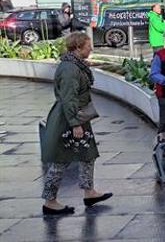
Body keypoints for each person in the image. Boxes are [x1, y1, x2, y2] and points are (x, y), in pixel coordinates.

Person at [40, 32, 112, 215]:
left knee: (88, 154)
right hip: (68, 120)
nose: (91, 49)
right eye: (88, 46)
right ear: (78, 47)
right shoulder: (70, 69)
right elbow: (68, 98)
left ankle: (89, 192)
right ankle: (50, 202)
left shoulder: (75, 65)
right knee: (60, 161)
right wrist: (75, 124)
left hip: (77, 117)